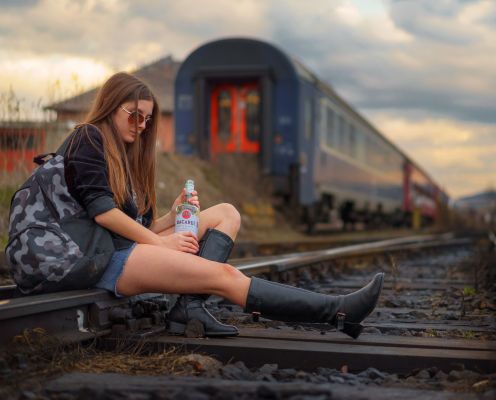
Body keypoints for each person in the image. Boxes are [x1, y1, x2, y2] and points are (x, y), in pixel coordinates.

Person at [43, 72, 384, 339]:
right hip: (99, 261)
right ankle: (338, 312)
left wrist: (172, 217)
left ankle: (189, 308)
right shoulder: (89, 136)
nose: (141, 126)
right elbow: (103, 213)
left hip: (121, 250)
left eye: (146, 120)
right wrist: (161, 243)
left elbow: (135, 227)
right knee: (222, 276)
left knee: (226, 212)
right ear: (111, 106)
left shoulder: (122, 156)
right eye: (134, 116)